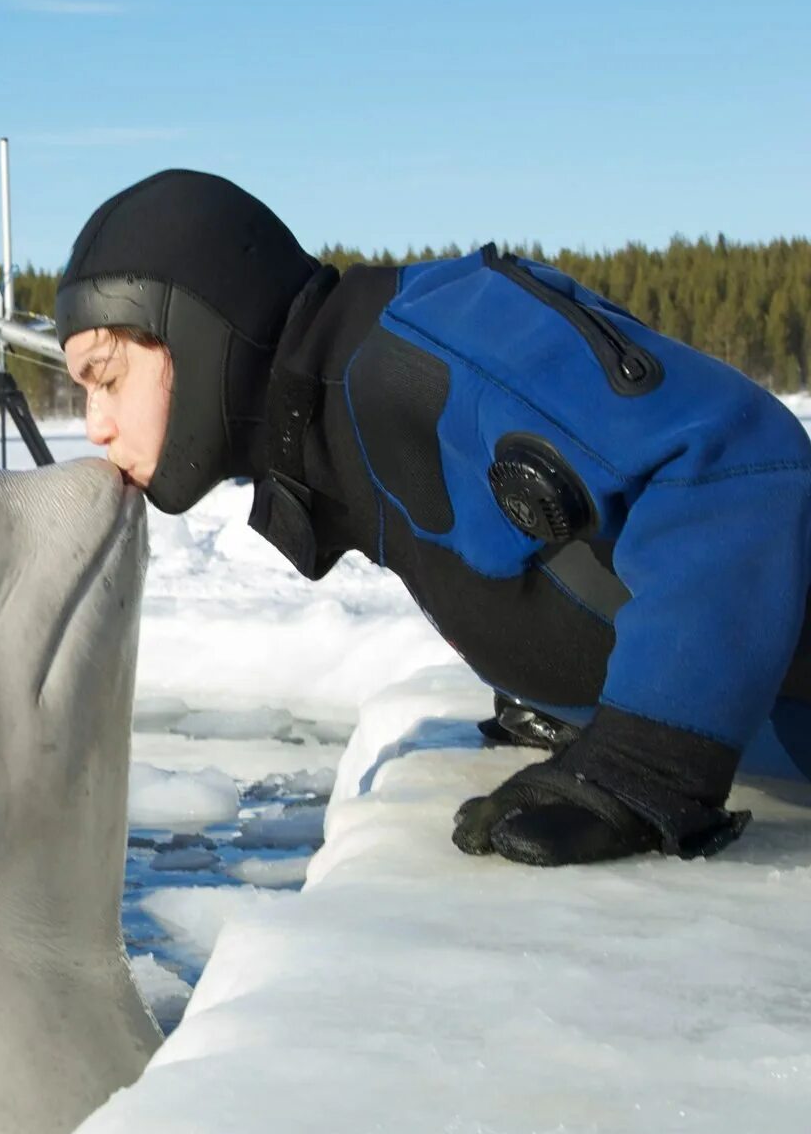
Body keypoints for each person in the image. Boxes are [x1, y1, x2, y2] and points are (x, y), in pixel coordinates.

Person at [56, 169, 811, 868]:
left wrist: (645, 761)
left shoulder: (423, 349)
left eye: (108, 377)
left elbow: (731, 467)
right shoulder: (335, 428)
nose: (94, 424)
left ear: (198, 332)